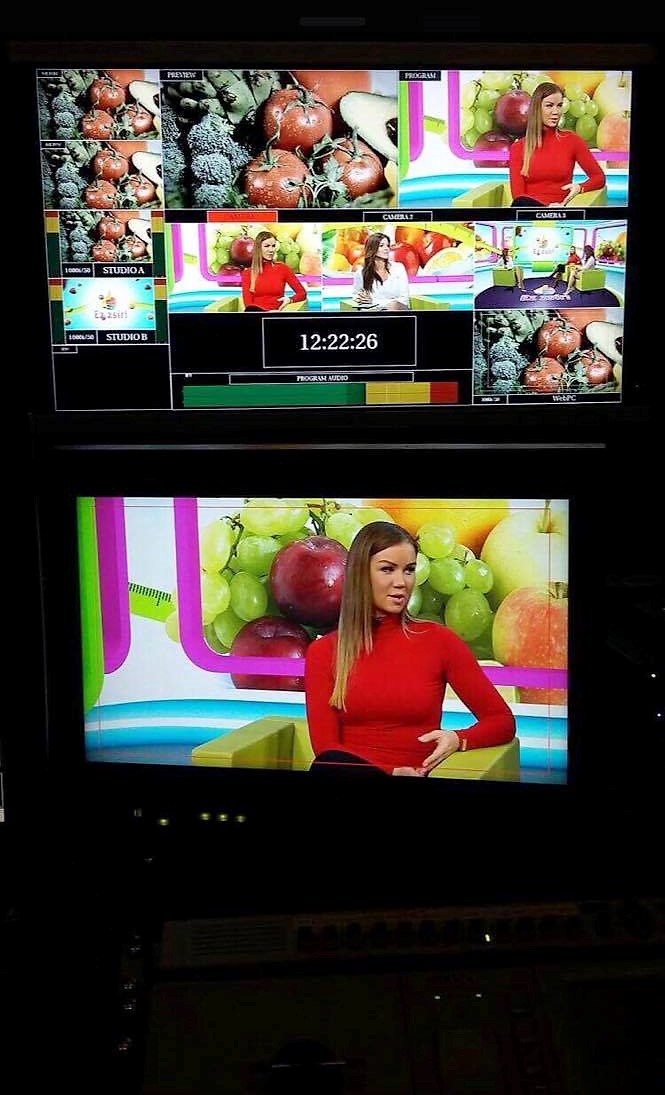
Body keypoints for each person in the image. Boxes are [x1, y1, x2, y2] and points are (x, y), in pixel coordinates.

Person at [304, 521, 516, 777]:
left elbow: (502, 721)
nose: (401, 582)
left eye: (409, 570)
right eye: (387, 569)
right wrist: (391, 772)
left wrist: (458, 739)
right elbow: (326, 750)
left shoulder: (440, 641)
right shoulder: (323, 652)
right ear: (360, 574)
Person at [509, 83, 606, 208]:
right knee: (522, 203)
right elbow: (518, 196)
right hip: (529, 211)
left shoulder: (572, 141)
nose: (556, 112)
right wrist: (545, 209)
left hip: (560, 211)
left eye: (559, 106)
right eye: (549, 106)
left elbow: (599, 177)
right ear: (537, 108)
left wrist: (580, 188)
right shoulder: (518, 147)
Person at [241, 231, 307, 311]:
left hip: (276, 314)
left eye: (273, 246)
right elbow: (248, 305)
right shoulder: (248, 273)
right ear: (258, 248)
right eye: (267, 246)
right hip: (256, 313)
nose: (271, 250)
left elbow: (302, 293)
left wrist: (290, 299)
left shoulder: (283, 269)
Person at [351, 232, 410, 311]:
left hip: (397, 312)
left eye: (387, 245)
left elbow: (404, 300)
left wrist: (374, 302)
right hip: (372, 313)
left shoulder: (398, 268)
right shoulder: (361, 272)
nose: (386, 249)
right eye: (381, 245)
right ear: (372, 248)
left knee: (394, 305)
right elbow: (356, 296)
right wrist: (362, 299)